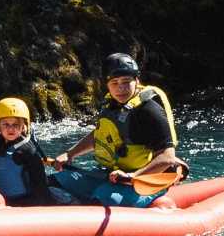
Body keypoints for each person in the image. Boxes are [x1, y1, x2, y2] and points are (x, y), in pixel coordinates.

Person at [50, 53, 187, 208]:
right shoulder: (111, 104)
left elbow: (167, 158)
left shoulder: (149, 111)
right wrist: (70, 154)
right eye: (114, 83)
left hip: (142, 179)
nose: (120, 88)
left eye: (126, 82)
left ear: (137, 80)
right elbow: (99, 135)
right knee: (54, 182)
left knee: (101, 202)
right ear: (107, 84)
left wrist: (132, 176)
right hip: (111, 174)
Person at [0, 97, 57, 206]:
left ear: (23, 126)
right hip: (5, 200)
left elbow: (40, 184)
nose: (11, 129)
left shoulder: (28, 151)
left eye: (15, 124)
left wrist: (43, 207)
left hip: (28, 201)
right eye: (5, 124)